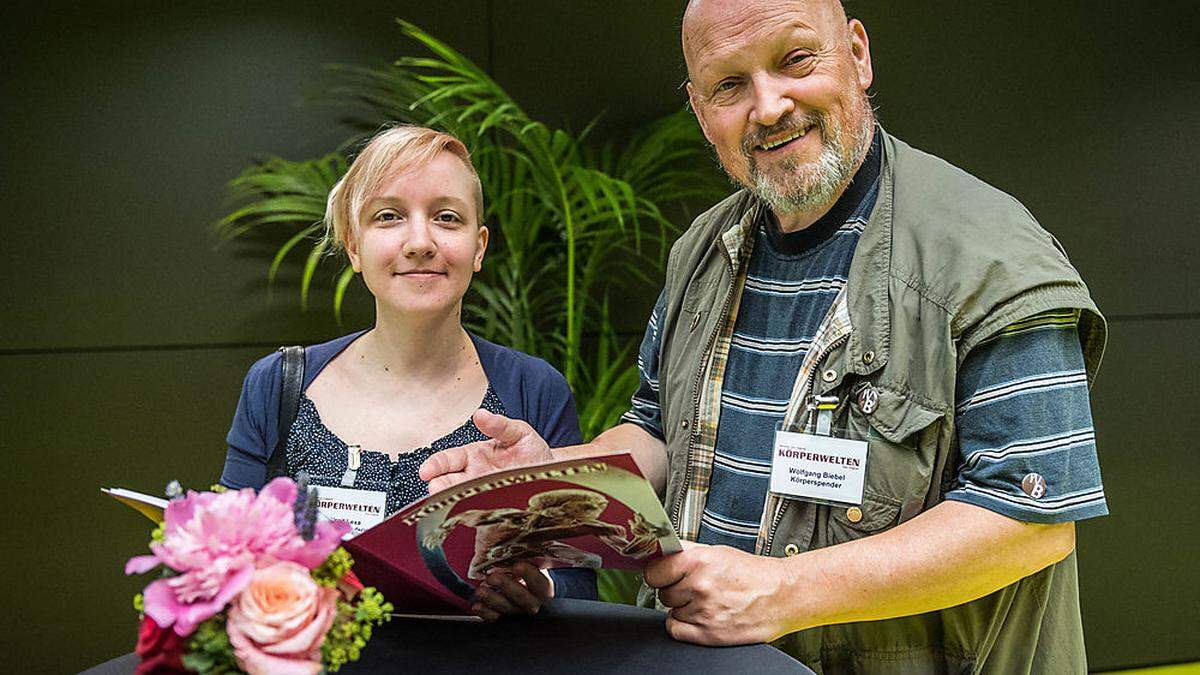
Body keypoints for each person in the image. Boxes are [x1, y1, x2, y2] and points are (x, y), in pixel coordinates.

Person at [419, 1, 1108, 671]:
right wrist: (557, 481)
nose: (769, 105)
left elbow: (1031, 522)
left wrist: (781, 593)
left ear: (858, 56)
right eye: (730, 84)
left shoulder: (992, 253)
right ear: (700, 110)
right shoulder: (702, 248)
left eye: (795, 59)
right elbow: (657, 429)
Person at [219, 124, 594, 618]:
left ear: (479, 247)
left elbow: (580, 587)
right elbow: (223, 565)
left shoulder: (533, 390)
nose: (419, 241)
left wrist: (541, 590)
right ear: (354, 246)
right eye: (389, 216)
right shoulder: (278, 385)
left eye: (446, 217)